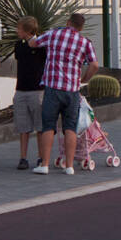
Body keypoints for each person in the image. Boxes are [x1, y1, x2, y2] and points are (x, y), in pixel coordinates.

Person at [32, 13, 98, 176]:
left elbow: (34, 43)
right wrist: (84, 79)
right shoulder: (85, 43)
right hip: (72, 91)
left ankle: (45, 165)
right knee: (70, 128)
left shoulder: (53, 34)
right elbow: (94, 64)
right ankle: (69, 166)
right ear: (81, 27)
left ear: (68, 22)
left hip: (53, 89)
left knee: (48, 126)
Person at [13, 16, 47, 169]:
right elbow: (20, 55)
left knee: (40, 127)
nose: (16, 31)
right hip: (21, 89)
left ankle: (41, 156)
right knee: (23, 126)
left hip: (37, 90)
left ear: (26, 31)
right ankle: (23, 157)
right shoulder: (19, 45)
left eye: (19, 29)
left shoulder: (42, 45)